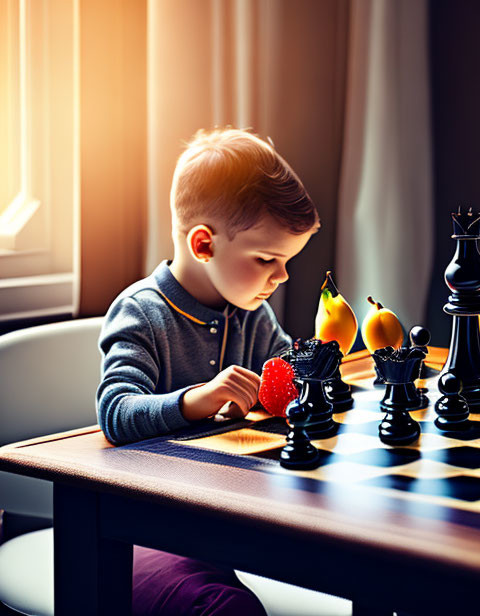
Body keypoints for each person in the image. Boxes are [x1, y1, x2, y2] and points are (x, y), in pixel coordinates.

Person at [98, 127, 319, 615]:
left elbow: (287, 380)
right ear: (204, 244)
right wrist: (195, 399)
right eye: (267, 259)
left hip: (221, 522)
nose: (281, 277)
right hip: (140, 530)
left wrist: (312, 371)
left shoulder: (252, 313)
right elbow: (115, 413)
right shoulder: (141, 312)